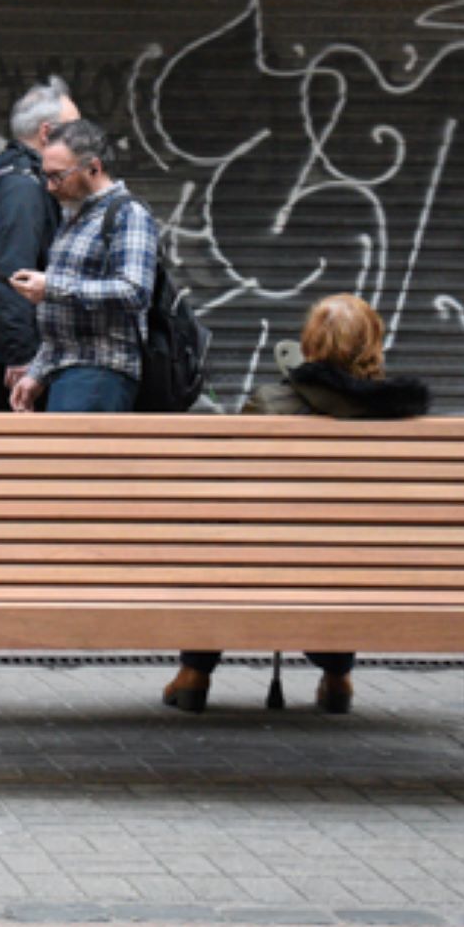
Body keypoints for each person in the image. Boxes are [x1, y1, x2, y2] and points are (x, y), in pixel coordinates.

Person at [164, 292, 430, 716]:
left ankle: (196, 673)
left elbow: (230, 495)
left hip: (261, 563)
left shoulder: (269, 403)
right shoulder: (401, 418)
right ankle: (338, 677)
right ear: (374, 345)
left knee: (219, 548)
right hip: (367, 569)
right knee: (345, 554)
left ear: (309, 346)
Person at [9, 119, 157, 414]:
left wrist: (51, 287)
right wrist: (38, 372)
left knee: (72, 461)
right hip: (70, 372)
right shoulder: (74, 216)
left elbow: (135, 291)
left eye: (58, 176)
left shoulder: (129, 214)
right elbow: (66, 324)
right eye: (45, 176)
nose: (49, 187)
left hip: (101, 373)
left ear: (93, 167)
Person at [0, 77, 75, 412]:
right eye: (73, 131)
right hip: (12, 353)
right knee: (17, 456)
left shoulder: (12, 178)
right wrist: (23, 355)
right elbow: (12, 272)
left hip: (6, 346)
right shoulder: (23, 188)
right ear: (46, 133)